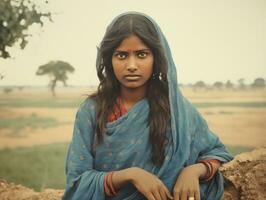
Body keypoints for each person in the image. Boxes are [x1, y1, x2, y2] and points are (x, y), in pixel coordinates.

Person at [62, 12, 233, 200]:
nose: (132, 65)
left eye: (142, 54)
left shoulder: (176, 109)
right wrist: (130, 175)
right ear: (109, 59)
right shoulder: (92, 110)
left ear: (156, 58)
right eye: (121, 55)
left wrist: (193, 171)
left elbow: (216, 152)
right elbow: (77, 183)